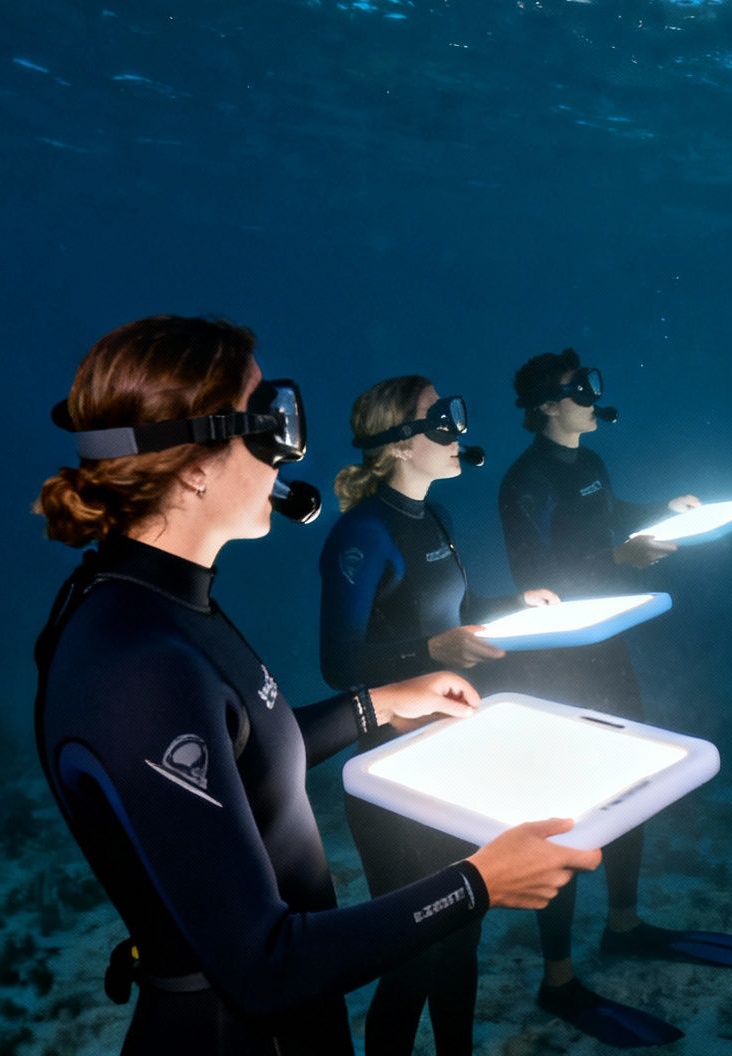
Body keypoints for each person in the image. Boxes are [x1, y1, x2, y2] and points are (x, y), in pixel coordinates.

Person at [33, 317, 600, 1056]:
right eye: (270, 424)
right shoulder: (137, 663)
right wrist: (480, 882)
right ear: (193, 464)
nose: (288, 451)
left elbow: (242, 753)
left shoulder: (166, 605)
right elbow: (265, 965)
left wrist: (379, 705)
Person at [493, 348, 732, 1048]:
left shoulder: (590, 465)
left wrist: (660, 512)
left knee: (633, 781)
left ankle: (625, 927)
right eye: (581, 390)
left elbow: (608, 515)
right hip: (556, 662)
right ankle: (557, 979)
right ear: (549, 405)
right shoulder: (524, 481)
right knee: (566, 812)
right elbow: (535, 577)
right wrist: (622, 560)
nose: (592, 397)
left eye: (592, 386)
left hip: (608, 643)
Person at [318, 376, 560, 1056]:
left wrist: (515, 602)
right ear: (398, 445)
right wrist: (429, 651)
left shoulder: (435, 517)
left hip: (453, 753)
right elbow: (338, 662)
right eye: (440, 420)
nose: (459, 431)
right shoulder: (360, 534)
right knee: (411, 954)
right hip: (391, 773)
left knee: (463, 933)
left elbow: (454, 607)